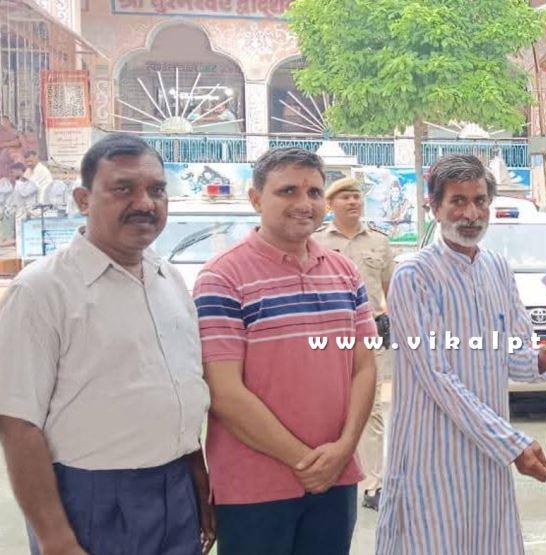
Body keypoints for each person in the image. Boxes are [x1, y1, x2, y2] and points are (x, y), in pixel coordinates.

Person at [0, 134, 214, 555]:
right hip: (92, 496)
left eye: (156, 190)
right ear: (82, 199)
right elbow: (17, 424)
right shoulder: (43, 290)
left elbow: (181, 389)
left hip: (176, 486)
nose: (145, 203)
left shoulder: (168, 279)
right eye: (123, 189)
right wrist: (55, 538)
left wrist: (198, 482)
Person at [376, 154, 546, 554]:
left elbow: (513, 354)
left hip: (487, 459)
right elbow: (437, 376)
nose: (471, 213)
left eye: (480, 200)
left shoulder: (497, 267)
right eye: (457, 201)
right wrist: (513, 444)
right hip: (433, 457)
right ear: (434, 206)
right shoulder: (414, 276)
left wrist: (545, 361)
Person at [193, 148, 377, 555]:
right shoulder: (222, 277)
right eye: (288, 191)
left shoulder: (344, 273)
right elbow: (224, 392)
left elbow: (363, 368)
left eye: (313, 192)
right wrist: (305, 462)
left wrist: (343, 450)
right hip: (254, 488)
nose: (303, 204)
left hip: (336, 479)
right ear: (256, 198)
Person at [312, 176, 395, 511]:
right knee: (328, 406)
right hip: (326, 338)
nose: (353, 202)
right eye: (345, 197)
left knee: (371, 410)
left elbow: (391, 289)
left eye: (357, 196)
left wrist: (395, 322)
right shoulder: (316, 241)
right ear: (331, 204)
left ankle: (373, 484)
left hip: (369, 335)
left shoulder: (379, 242)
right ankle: (328, 472)